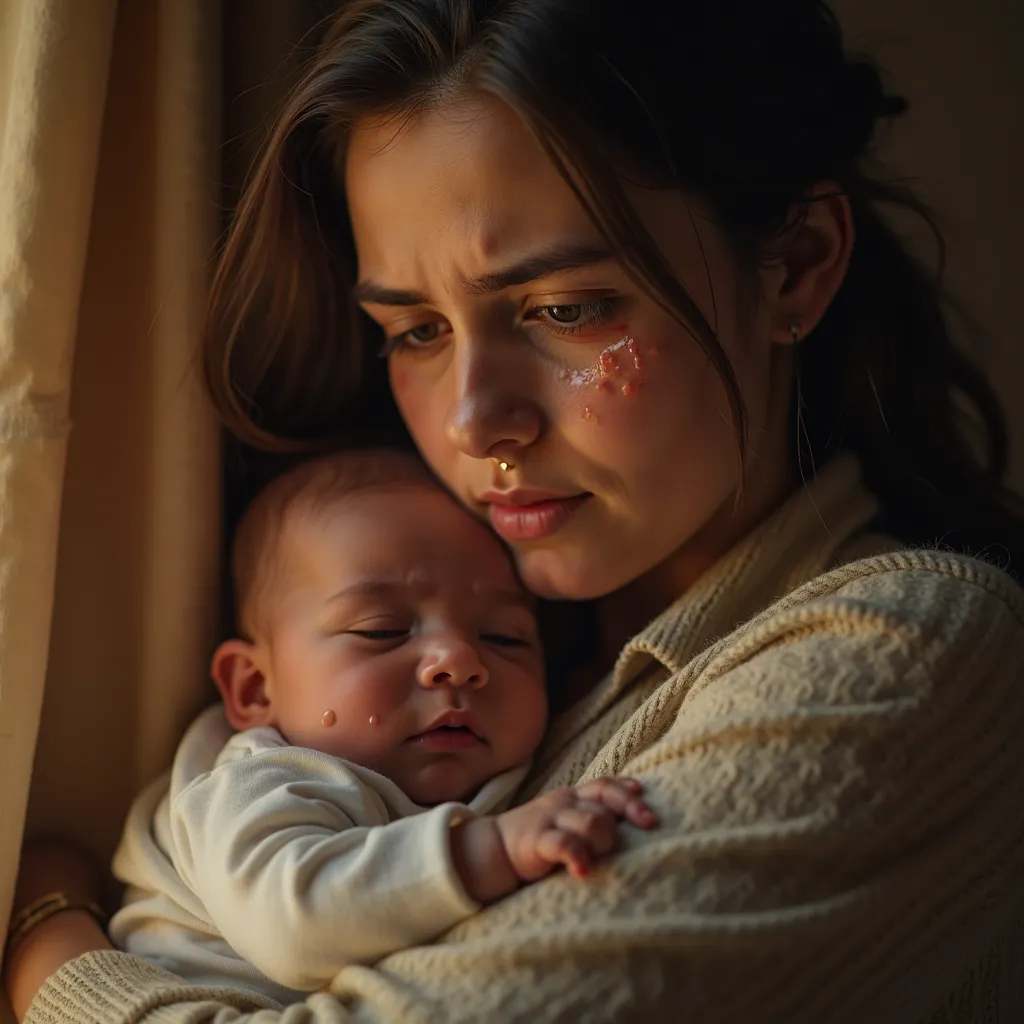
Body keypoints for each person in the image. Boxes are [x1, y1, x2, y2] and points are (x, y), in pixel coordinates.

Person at [6, 0, 1024, 1021]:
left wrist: (48, 937)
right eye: (412, 330)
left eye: (565, 309)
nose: (470, 423)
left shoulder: (910, 653)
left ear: (796, 263)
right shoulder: (450, 650)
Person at [106, 448, 655, 1004]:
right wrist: (491, 850)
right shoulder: (259, 783)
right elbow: (292, 923)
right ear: (255, 688)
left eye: (505, 638)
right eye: (382, 630)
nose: (460, 660)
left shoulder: (533, 753)